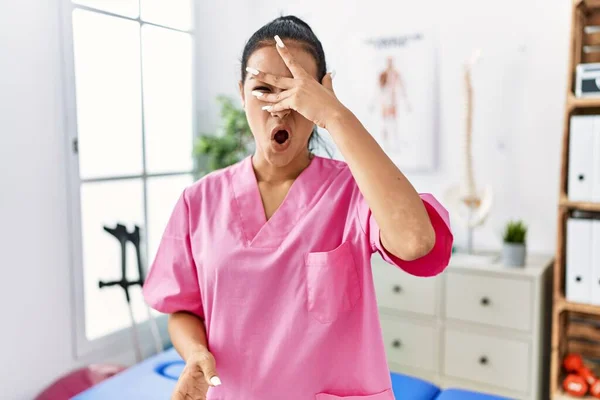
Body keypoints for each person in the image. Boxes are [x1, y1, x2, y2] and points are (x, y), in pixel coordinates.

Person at [142, 15, 453, 400]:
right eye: (263, 89)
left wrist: (335, 116)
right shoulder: (199, 201)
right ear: (242, 93)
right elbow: (183, 309)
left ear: (321, 95)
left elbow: (415, 240)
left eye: (295, 92)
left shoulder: (355, 191)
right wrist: (195, 354)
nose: (278, 108)